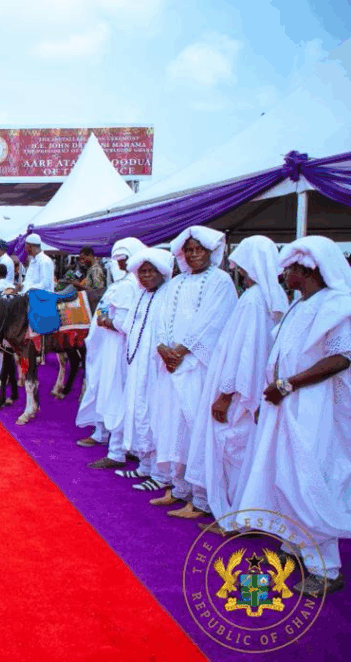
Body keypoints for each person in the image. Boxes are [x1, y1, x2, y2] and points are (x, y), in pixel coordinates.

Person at [232, 236, 351, 597]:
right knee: (285, 475)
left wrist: (288, 384)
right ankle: (297, 548)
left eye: (289, 269)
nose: (283, 275)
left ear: (308, 269)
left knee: (311, 478)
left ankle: (327, 569)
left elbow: (341, 357)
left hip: (314, 407)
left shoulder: (337, 304)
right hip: (285, 404)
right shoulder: (301, 305)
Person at [182, 236, 287, 531]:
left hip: (241, 390)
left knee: (234, 452)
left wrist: (226, 393)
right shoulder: (271, 295)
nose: (237, 268)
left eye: (240, 263)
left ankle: (238, 518)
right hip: (253, 388)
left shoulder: (253, 300)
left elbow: (245, 354)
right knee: (244, 451)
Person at [149, 226, 237, 517]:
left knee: (195, 428)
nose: (194, 254)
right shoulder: (176, 283)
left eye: (199, 249)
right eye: (189, 249)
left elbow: (214, 322)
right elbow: (161, 319)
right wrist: (164, 349)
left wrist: (182, 351)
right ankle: (178, 488)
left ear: (211, 251)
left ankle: (199, 497)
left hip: (199, 367)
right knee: (171, 425)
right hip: (171, 367)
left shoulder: (221, 281)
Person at [78, 237, 145, 462]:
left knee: (116, 391)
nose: (121, 265)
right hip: (106, 346)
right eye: (118, 260)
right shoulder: (123, 283)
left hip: (118, 349)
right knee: (103, 387)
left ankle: (118, 449)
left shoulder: (130, 286)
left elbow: (123, 323)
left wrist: (106, 322)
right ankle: (103, 433)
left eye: (124, 259)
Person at [117, 247, 174, 488]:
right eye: (143, 272)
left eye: (152, 271)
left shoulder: (168, 295)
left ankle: (161, 476)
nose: (147, 276)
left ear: (162, 273)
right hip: (137, 365)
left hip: (156, 367)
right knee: (138, 413)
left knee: (154, 416)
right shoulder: (142, 295)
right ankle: (145, 466)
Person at [72, 245, 107, 311]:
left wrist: (80, 286)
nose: (83, 261)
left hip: (94, 305)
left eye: (84, 258)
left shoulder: (95, 269)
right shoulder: (91, 268)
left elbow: (98, 291)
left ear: (90, 256)